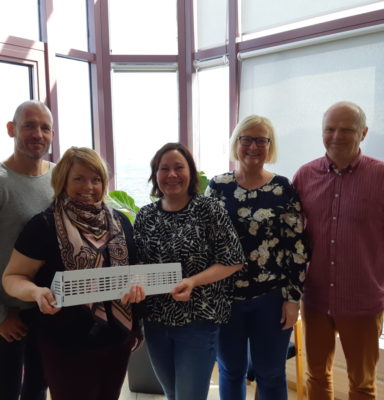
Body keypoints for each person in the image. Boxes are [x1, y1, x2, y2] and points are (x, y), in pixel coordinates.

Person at [2, 147, 145, 400]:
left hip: (116, 338)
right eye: (78, 178)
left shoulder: (120, 222)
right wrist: (36, 292)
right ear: (63, 180)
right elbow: (12, 278)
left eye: (96, 179)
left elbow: (132, 274)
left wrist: (136, 291)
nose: (88, 187)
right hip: (65, 343)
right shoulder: (44, 225)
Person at [205, 115, 308, 400]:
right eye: (246, 139)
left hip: (271, 299)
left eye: (261, 140)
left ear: (270, 145)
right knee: (231, 370)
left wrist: (292, 299)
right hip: (225, 299)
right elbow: (205, 244)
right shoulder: (217, 186)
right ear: (235, 142)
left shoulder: (282, 188)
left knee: (271, 373)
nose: (253, 146)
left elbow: (297, 247)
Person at [133, 142, 245, 400]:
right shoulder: (146, 215)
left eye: (179, 167)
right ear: (155, 174)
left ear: (191, 172)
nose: (172, 174)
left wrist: (193, 281)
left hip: (198, 322)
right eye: (164, 168)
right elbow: (137, 264)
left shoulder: (209, 209)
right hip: (155, 322)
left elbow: (233, 260)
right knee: (172, 394)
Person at [293, 101, 384, 400]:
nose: (336, 136)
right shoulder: (304, 176)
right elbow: (291, 235)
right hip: (316, 298)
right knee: (317, 376)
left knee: (362, 384)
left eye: (346, 130)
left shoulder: (380, 176)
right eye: (330, 129)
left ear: (363, 133)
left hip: (362, 298)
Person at [0, 100, 55, 400]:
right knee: (6, 392)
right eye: (29, 125)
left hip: (49, 308)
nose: (37, 134)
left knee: (38, 389)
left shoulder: (59, 176)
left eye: (45, 128)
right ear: (11, 129)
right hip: (8, 312)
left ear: (52, 135)